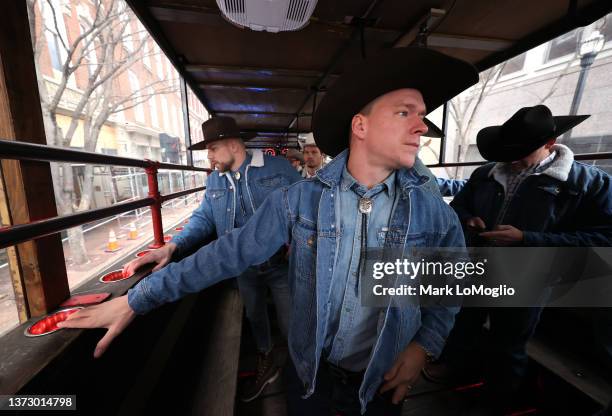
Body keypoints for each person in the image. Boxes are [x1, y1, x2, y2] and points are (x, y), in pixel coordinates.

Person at [58, 47, 479, 415]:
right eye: (405, 112)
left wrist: (423, 347)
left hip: (387, 375)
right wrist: (138, 298)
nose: (422, 127)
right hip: (311, 368)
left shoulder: (434, 214)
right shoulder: (299, 200)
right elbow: (229, 251)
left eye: (421, 116)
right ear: (361, 127)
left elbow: (449, 289)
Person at [426, 105, 612, 411]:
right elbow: (459, 206)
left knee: (509, 341)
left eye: (522, 151)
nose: (512, 159)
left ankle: (499, 398)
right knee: (463, 322)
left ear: (549, 145)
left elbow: (604, 236)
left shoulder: (587, 183)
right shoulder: (486, 173)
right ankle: (456, 370)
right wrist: (468, 218)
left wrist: (528, 239)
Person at [125, 116, 302, 402]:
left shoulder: (278, 169)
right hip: (241, 267)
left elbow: (303, 205)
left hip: (279, 263)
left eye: (213, 149)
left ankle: (300, 375)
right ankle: (266, 360)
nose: (209, 157)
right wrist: (173, 247)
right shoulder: (215, 181)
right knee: (255, 315)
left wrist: (297, 240)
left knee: (291, 318)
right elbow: (204, 218)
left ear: (233, 145)